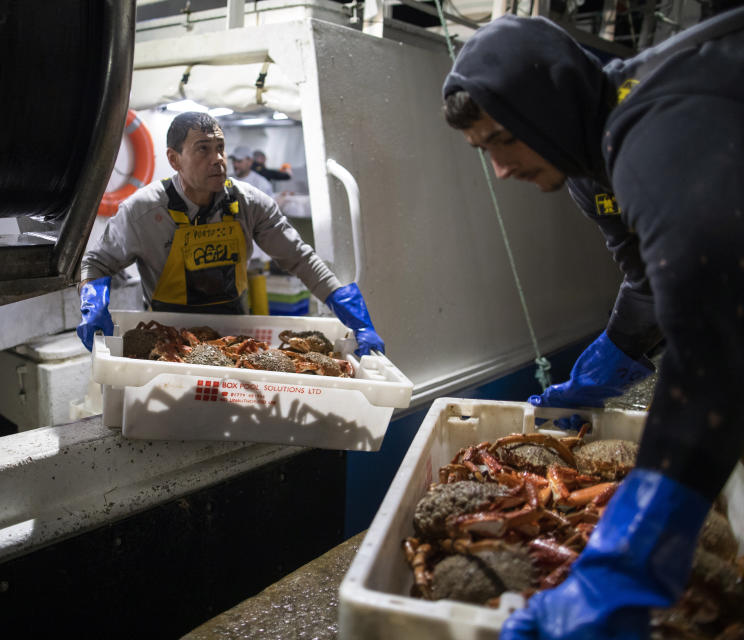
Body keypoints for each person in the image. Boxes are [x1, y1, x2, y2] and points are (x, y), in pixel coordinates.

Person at [442, 8, 744, 639]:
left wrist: (625, 566)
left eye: (502, 139)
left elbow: (712, 344)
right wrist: (609, 364)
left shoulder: (656, 130)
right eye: (482, 151)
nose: (500, 170)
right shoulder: (589, 166)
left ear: (544, 109)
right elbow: (652, 281)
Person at [77, 111, 385, 357]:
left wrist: (353, 314)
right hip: (167, 342)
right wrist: (93, 307)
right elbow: (97, 262)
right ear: (174, 159)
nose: (218, 159)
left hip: (237, 339)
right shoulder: (143, 212)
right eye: (203, 150)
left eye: (220, 148)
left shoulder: (249, 203)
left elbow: (300, 259)